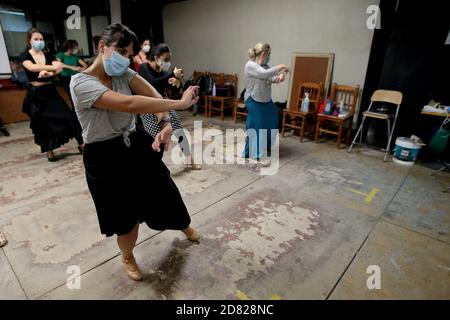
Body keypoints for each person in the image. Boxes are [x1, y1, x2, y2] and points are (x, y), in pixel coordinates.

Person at [70, 23, 200, 281]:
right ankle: (127, 255)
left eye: (128, 53)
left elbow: (151, 95)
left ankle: (183, 225)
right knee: (125, 220)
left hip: (135, 144)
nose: (124, 58)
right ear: (101, 46)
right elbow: (130, 104)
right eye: (119, 50)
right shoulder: (80, 83)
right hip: (103, 156)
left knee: (165, 192)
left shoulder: (123, 73)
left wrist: (164, 123)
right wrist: (180, 103)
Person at [19, 28, 84, 162]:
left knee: (68, 117)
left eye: (41, 39)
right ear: (29, 41)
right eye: (36, 39)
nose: (39, 41)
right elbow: (31, 68)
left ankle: (81, 144)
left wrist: (50, 73)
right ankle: (49, 151)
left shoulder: (48, 55)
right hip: (36, 94)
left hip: (50, 91)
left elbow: (58, 66)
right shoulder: (24, 55)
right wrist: (52, 68)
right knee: (43, 124)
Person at [138, 43, 201, 170]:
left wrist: (177, 83)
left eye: (169, 59)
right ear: (156, 58)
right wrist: (172, 75)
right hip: (148, 107)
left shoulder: (163, 72)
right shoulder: (144, 68)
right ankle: (154, 168)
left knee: (180, 132)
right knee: (156, 138)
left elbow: (173, 91)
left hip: (164, 105)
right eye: (165, 59)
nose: (168, 62)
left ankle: (190, 160)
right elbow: (152, 84)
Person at [243, 43, 288, 164]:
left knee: (273, 118)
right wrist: (280, 66)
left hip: (265, 100)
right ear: (264, 53)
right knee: (258, 124)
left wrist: (282, 74)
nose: (269, 56)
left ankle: (267, 145)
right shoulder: (250, 65)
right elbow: (262, 74)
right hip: (253, 99)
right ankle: (254, 153)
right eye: (268, 54)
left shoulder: (266, 67)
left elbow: (273, 79)